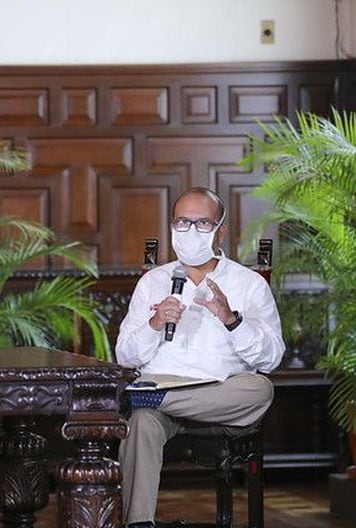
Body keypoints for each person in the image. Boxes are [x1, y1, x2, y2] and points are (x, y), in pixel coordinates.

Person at [115, 187, 284, 528]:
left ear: (220, 231)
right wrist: (154, 323)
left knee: (260, 389)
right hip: (161, 394)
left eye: (202, 223)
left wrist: (230, 319)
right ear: (172, 226)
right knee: (141, 422)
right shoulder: (153, 281)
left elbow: (271, 359)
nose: (190, 231)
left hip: (221, 396)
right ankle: (138, 523)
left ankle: (155, 398)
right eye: (182, 222)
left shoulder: (249, 283)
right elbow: (125, 356)